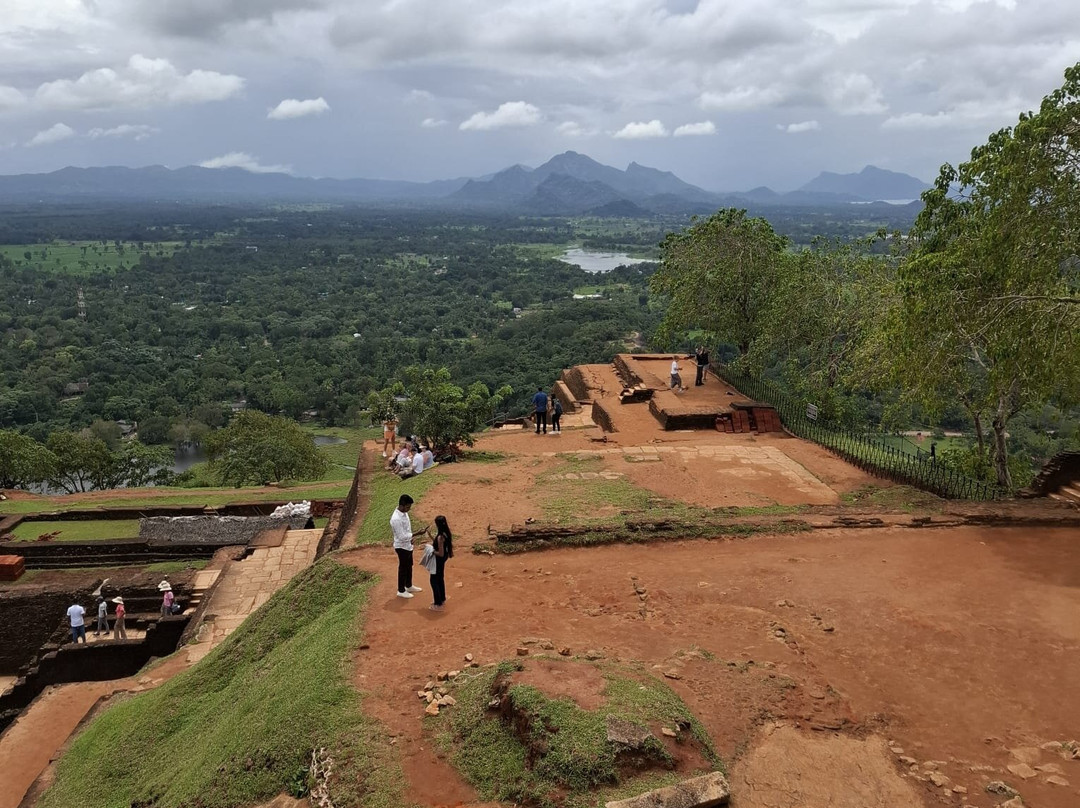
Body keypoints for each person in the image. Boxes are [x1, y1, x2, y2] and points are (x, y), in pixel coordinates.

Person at [391, 494, 426, 599]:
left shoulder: (404, 513)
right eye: (407, 507)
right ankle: (401, 590)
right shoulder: (396, 519)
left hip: (408, 544)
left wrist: (411, 538)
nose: (409, 509)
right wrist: (416, 534)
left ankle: (408, 585)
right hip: (401, 547)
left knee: (409, 566)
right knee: (403, 567)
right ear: (402, 505)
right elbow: (401, 536)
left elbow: (407, 529)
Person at [429, 515, 454, 612]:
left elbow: (440, 553)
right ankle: (442, 598)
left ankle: (438, 603)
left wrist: (431, 551)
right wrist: (431, 537)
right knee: (440, 578)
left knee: (434, 580)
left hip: (438, 560)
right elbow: (441, 546)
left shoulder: (440, 537)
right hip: (443, 559)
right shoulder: (446, 534)